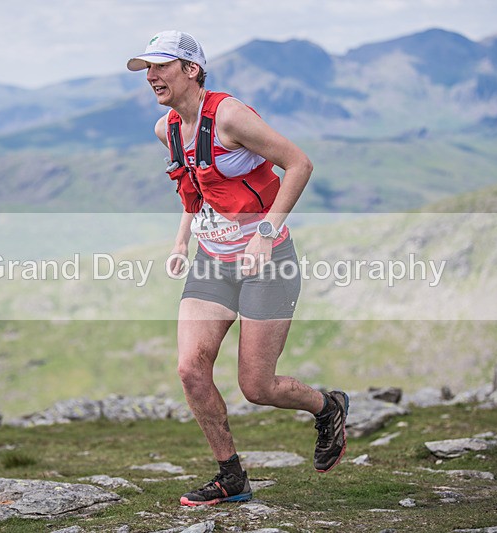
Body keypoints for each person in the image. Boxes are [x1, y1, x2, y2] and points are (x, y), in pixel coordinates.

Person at [127, 30, 349, 507]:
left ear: (191, 69)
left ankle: (327, 406)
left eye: (160, 66)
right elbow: (194, 187)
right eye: (146, 68)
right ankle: (231, 476)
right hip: (212, 260)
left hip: (267, 262)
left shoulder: (228, 115)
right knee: (190, 369)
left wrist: (266, 234)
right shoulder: (166, 129)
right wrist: (182, 240)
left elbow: (299, 164)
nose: (150, 76)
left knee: (257, 386)